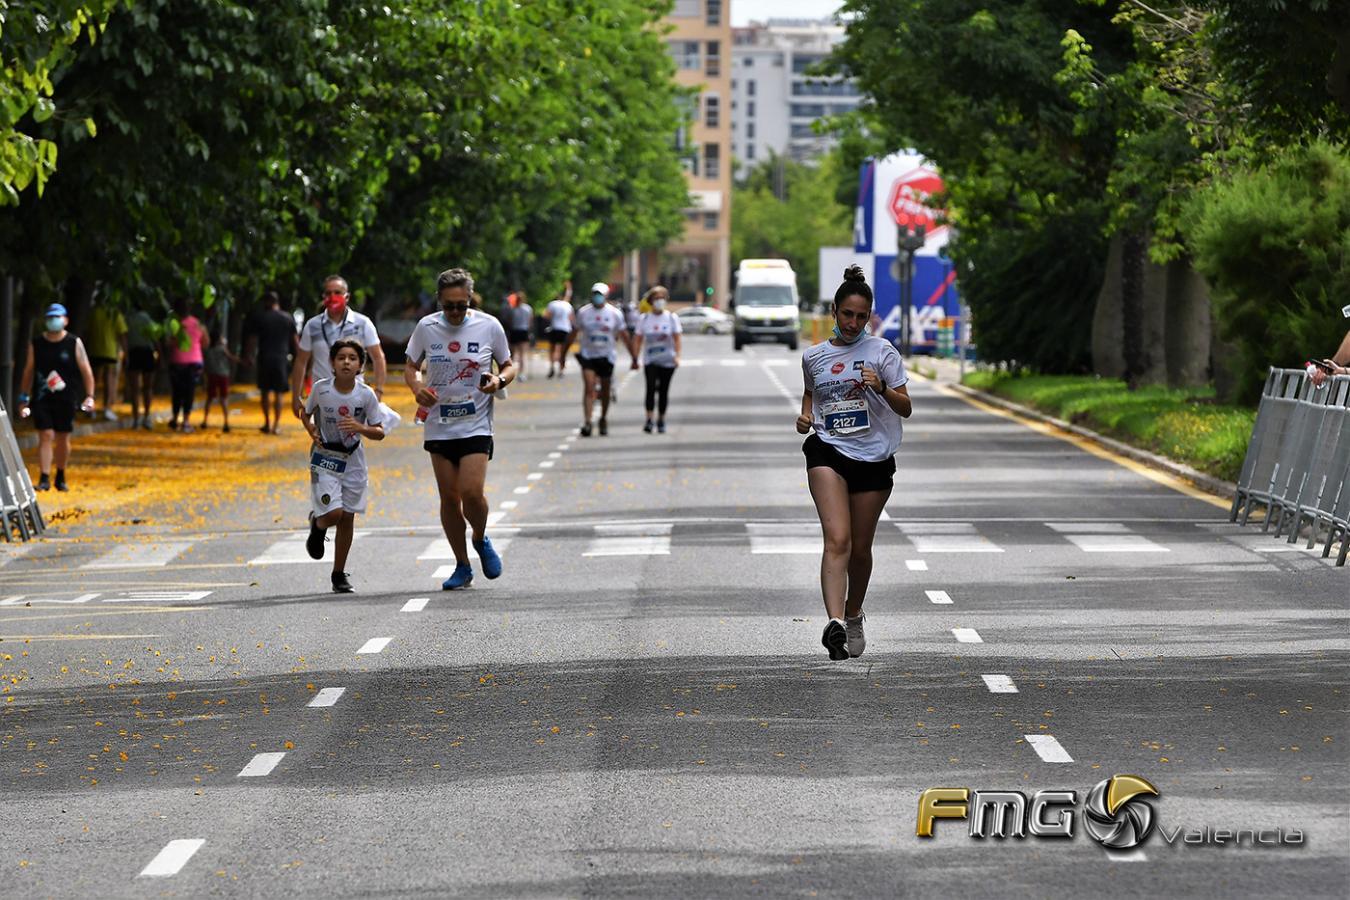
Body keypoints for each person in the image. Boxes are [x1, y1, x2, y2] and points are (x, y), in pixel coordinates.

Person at [796, 266, 913, 661]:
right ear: (834, 311)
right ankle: (833, 623)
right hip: (827, 451)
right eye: (847, 314)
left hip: (873, 458)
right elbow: (811, 394)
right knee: (838, 540)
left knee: (860, 550)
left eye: (861, 317)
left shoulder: (882, 353)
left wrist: (881, 386)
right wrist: (805, 417)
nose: (853, 323)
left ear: (869, 318)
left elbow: (906, 407)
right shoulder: (814, 356)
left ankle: (852, 614)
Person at [405, 267, 516, 591]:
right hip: (439, 424)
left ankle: (480, 538)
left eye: (461, 305)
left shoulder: (489, 325)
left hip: (476, 422)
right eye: (448, 306)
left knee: (471, 492)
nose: (454, 312)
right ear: (439, 300)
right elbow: (411, 366)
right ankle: (462, 565)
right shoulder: (427, 327)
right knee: (449, 498)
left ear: (470, 299)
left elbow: (508, 365)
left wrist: (499, 380)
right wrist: (416, 387)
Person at [302, 339, 385, 593]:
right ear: (332, 363)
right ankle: (318, 524)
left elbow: (379, 431)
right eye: (341, 358)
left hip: (353, 459)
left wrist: (360, 428)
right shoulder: (321, 389)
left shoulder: (366, 395)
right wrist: (311, 430)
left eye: (352, 358)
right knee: (333, 515)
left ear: (360, 365)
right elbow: (306, 412)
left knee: (348, 517)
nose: (346, 362)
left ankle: (338, 574)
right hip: (326, 456)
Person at [17, 303, 95, 492]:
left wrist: (90, 396)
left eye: (57, 317)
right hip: (42, 398)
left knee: (62, 437)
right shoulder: (37, 344)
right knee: (45, 435)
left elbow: (86, 371)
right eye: (50, 317)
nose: (53, 320)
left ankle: (60, 474)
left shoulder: (73, 343)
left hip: (66, 398)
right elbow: (28, 371)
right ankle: (44, 477)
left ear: (65, 320)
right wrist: (23, 397)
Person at [291, 275, 387, 422]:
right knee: (321, 435)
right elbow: (301, 362)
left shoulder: (362, 323)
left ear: (346, 297)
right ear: (323, 297)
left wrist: (378, 390)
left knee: (353, 435)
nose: (332, 297)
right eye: (328, 293)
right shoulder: (312, 325)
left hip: (355, 397)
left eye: (337, 292)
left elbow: (378, 357)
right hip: (322, 397)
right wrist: (296, 396)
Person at [575, 282, 636, 437]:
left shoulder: (614, 314)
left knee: (605, 389)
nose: (597, 297)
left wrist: (634, 357)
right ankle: (588, 421)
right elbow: (574, 332)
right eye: (595, 294)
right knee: (589, 387)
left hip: (606, 356)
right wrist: (562, 355)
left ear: (606, 296)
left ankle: (603, 417)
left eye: (600, 294)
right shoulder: (583, 313)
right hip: (588, 355)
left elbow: (624, 335)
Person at [243, 291, 298, 434]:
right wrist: (298, 359)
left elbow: (252, 340)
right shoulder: (287, 318)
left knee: (265, 392)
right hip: (281, 359)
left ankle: (267, 423)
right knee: (279, 393)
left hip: (264, 358)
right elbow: (295, 341)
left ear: (267, 302)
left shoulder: (261, 317)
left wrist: (249, 356)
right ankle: (276, 425)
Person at [633, 285, 682, 434]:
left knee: (663, 391)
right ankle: (649, 419)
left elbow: (677, 338)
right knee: (650, 388)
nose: (659, 301)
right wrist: (635, 358)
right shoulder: (645, 319)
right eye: (656, 298)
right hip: (650, 360)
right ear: (651, 301)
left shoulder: (671, 318)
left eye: (662, 298)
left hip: (668, 360)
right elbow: (638, 339)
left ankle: (661, 419)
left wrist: (677, 356)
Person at [165, 298, 208, 433]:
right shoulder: (198, 324)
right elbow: (206, 342)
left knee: (177, 392)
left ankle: (175, 418)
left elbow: (168, 343)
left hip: (177, 361)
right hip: (194, 361)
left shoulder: (173, 324)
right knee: (189, 392)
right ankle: (186, 421)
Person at [85, 301, 127, 421]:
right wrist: (126, 352)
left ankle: (90, 408)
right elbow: (122, 334)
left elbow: (87, 332)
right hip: (110, 351)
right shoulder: (115, 313)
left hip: (94, 350)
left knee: (94, 380)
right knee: (109, 380)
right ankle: (107, 409)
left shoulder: (93, 313)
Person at [125, 304, 159, 430]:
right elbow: (154, 336)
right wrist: (159, 352)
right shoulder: (146, 317)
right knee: (148, 387)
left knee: (135, 389)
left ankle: (136, 420)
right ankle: (146, 416)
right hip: (146, 353)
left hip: (133, 353)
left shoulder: (127, 318)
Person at [200, 330, 242, 432]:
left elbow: (204, 364)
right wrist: (242, 361)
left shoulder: (207, 350)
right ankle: (226, 422)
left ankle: (205, 421)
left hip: (211, 375)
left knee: (209, 399)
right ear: (218, 339)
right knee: (223, 399)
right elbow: (231, 357)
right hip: (223, 375)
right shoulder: (222, 348)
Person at [545, 281, 575, 379]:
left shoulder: (552, 304)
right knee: (563, 351)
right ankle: (561, 369)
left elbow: (547, 316)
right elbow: (571, 318)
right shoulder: (568, 305)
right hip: (565, 329)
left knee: (552, 349)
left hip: (554, 328)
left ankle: (552, 366)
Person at [508, 293, 534, 382]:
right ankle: (522, 373)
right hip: (524, 331)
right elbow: (530, 321)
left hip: (515, 331)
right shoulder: (528, 308)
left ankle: (511, 372)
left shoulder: (512, 309)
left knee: (513, 353)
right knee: (522, 354)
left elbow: (510, 321)